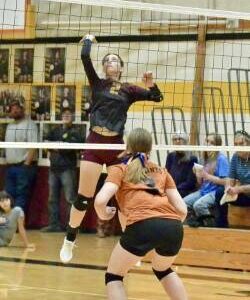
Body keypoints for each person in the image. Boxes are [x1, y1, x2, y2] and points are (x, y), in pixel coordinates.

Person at [59, 34, 163, 263]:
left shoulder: (129, 89)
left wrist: (151, 85)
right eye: (106, 60)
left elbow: (157, 97)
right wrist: (87, 40)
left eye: (114, 59)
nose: (109, 62)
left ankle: (132, 246)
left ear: (121, 67)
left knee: (125, 196)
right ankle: (69, 240)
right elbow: (85, 57)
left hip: (117, 146)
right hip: (95, 142)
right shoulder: (98, 83)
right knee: (84, 197)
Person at [94, 128, 187, 300]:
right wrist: (166, 227)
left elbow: (100, 201)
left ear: (127, 146)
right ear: (150, 148)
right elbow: (182, 210)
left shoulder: (119, 169)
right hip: (173, 226)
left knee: (114, 276)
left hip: (142, 225)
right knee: (163, 270)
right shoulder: (162, 171)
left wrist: (104, 214)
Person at [41, 108, 83, 232]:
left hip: (67, 169)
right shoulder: (56, 130)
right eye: (64, 114)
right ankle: (54, 225)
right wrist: (58, 146)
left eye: (69, 114)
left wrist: (57, 146)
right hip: (53, 169)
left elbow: (68, 149)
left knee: (70, 198)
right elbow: (46, 143)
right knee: (52, 199)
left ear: (73, 117)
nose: (66, 116)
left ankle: (72, 226)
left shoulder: (76, 132)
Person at [184, 133, 229, 227]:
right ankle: (196, 222)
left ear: (217, 145)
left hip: (216, 191)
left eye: (212, 142)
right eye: (207, 141)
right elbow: (200, 182)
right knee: (183, 203)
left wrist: (207, 176)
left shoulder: (221, 159)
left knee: (199, 205)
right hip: (203, 191)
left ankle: (210, 226)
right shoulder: (203, 158)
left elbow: (225, 181)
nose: (208, 144)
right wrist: (197, 174)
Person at [5, 100, 38, 212]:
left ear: (22, 110)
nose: (15, 111)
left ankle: (18, 225)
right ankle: (9, 224)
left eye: (17, 108)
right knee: (8, 196)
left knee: (21, 196)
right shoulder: (9, 126)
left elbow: (33, 146)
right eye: (12, 109)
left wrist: (26, 165)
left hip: (24, 167)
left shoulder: (30, 124)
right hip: (10, 167)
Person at [214, 130, 250, 228]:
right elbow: (230, 177)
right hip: (242, 194)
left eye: (241, 143)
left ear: (248, 144)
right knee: (220, 193)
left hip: (244, 191)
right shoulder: (235, 157)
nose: (238, 146)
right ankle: (221, 228)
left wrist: (239, 189)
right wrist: (228, 187)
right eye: (235, 144)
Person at [165, 131, 198, 197]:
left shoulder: (192, 158)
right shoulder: (170, 156)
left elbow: (190, 182)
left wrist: (174, 189)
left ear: (185, 141)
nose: (177, 141)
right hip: (171, 189)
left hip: (184, 190)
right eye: (175, 139)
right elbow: (166, 175)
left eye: (180, 139)